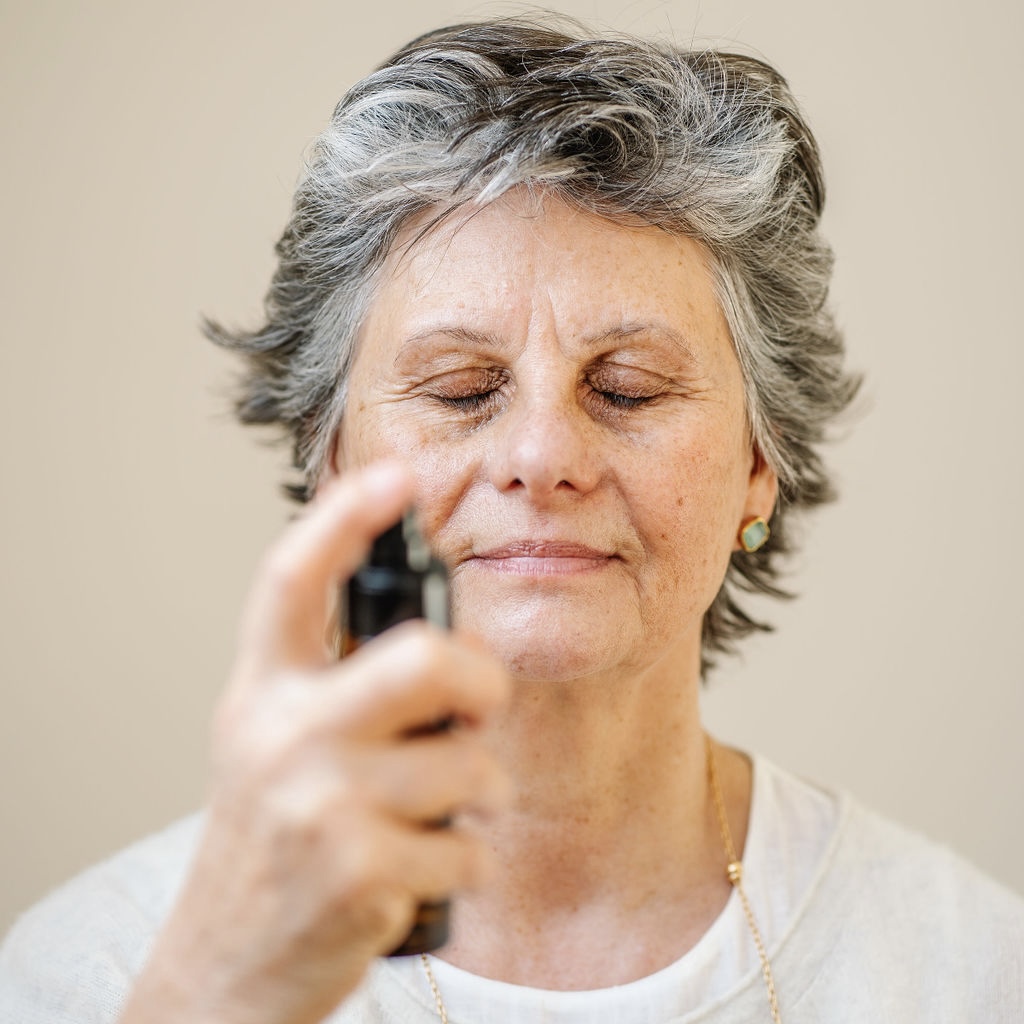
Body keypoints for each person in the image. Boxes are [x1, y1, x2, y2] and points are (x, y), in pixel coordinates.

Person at [2, 15, 1022, 1024]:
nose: (542, 457)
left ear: (760, 465)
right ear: (332, 456)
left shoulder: (967, 971)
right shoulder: (94, 977)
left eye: (626, 388)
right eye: (460, 389)